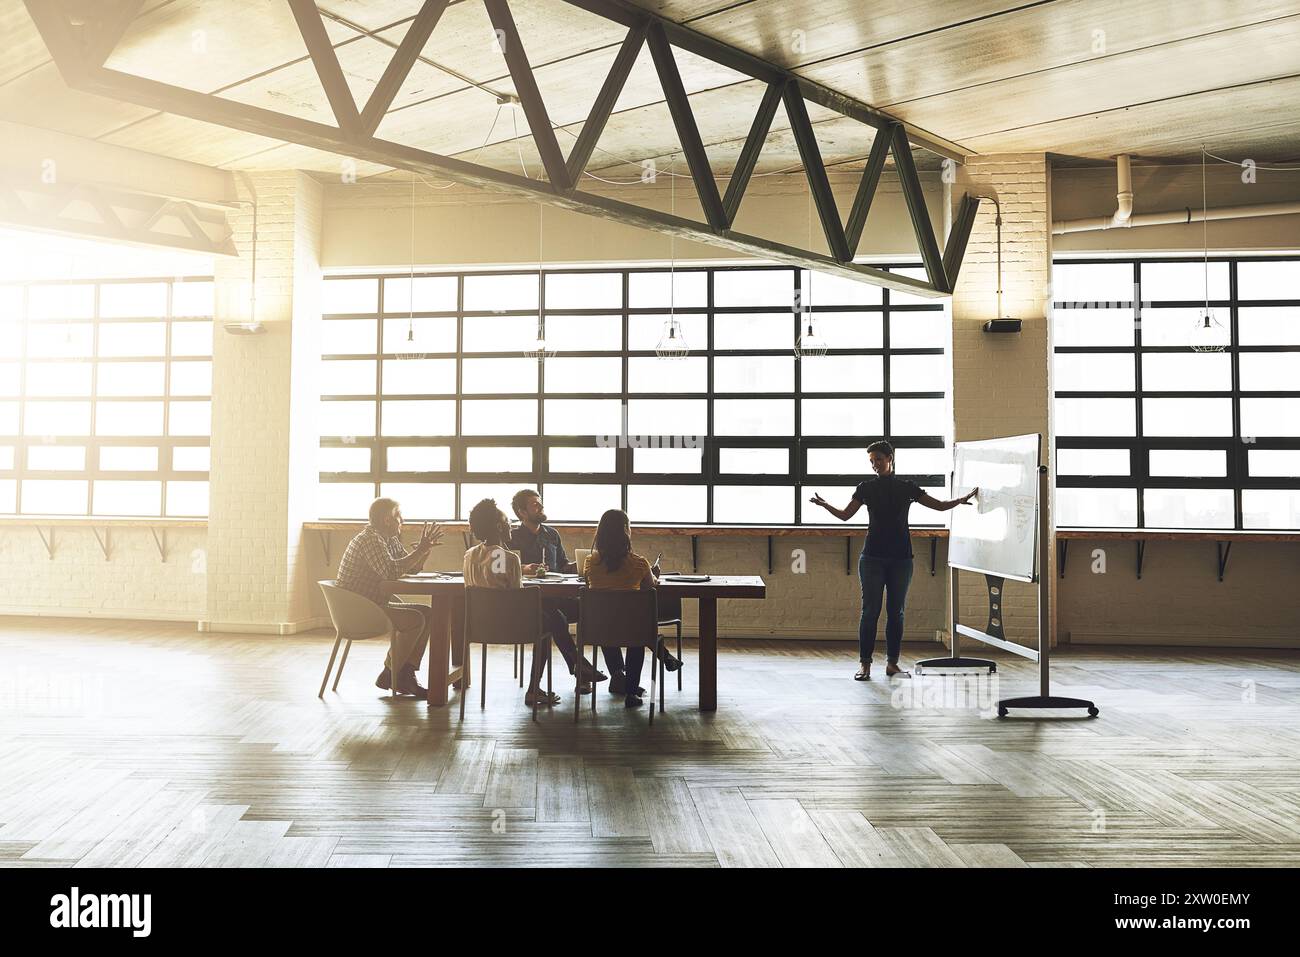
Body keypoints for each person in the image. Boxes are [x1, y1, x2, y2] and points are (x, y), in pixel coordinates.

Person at [809, 440, 977, 681]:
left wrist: (959, 500)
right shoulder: (865, 488)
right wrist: (826, 505)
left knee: (896, 612)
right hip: (872, 559)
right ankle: (864, 665)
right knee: (870, 612)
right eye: (871, 461)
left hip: (901, 559)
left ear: (890, 459)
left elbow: (939, 507)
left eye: (878, 459)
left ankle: (892, 664)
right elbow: (846, 516)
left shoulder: (906, 487)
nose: (875, 464)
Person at [336, 497, 444, 697]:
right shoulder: (370, 539)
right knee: (416, 619)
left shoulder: (389, 539)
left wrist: (423, 552)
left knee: (426, 613)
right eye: (398, 515)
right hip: (359, 609)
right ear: (387, 520)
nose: (402, 519)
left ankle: (404, 675)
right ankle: (390, 673)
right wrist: (418, 551)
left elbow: (410, 569)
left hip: (373, 602)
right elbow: (390, 572)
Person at [463, 498, 562, 708]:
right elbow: (517, 600)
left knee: (551, 617)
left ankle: (578, 666)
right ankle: (536, 687)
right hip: (510, 626)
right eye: (508, 521)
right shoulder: (506, 557)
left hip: (478, 626)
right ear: (499, 526)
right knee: (552, 619)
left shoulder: (469, 555)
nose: (511, 525)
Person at [508, 489, 609, 693]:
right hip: (528, 602)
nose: (541, 507)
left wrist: (585, 563)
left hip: (556, 598)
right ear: (522, 512)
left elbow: (562, 565)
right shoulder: (512, 536)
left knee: (585, 608)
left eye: (540, 503)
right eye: (535, 505)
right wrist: (525, 568)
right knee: (552, 616)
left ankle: (581, 669)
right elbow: (507, 568)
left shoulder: (552, 534)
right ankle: (580, 670)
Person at [581, 508, 682, 708]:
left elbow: (589, 584)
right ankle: (631, 692)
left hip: (600, 630)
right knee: (639, 634)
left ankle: (618, 675)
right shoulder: (639, 563)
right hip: (633, 630)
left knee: (606, 622)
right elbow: (650, 586)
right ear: (626, 531)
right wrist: (655, 574)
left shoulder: (590, 562)